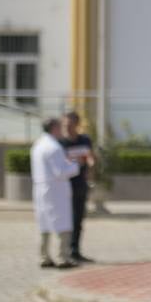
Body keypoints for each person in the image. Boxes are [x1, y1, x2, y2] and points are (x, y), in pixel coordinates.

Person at [31, 117, 79, 269]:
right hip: (55, 189)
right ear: (54, 128)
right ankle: (62, 257)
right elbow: (59, 172)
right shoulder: (54, 147)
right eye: (59, 127)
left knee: (44, 222)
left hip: (40, 188)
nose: (61, 130)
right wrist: (75, 165)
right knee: (61, 222)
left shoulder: (38, 145)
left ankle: (44, 256)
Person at [60, 111, 96, 263]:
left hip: (80, 185)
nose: (67, 128)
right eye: (65, 125)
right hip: (64, 186)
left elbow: (90, 157)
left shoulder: (85, 140)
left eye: (70, 125)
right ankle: (63, 251)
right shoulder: (60, 142)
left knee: (78, 219)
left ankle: (75, 250)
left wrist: (91, 166)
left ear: (77, 125)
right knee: (64, 219)